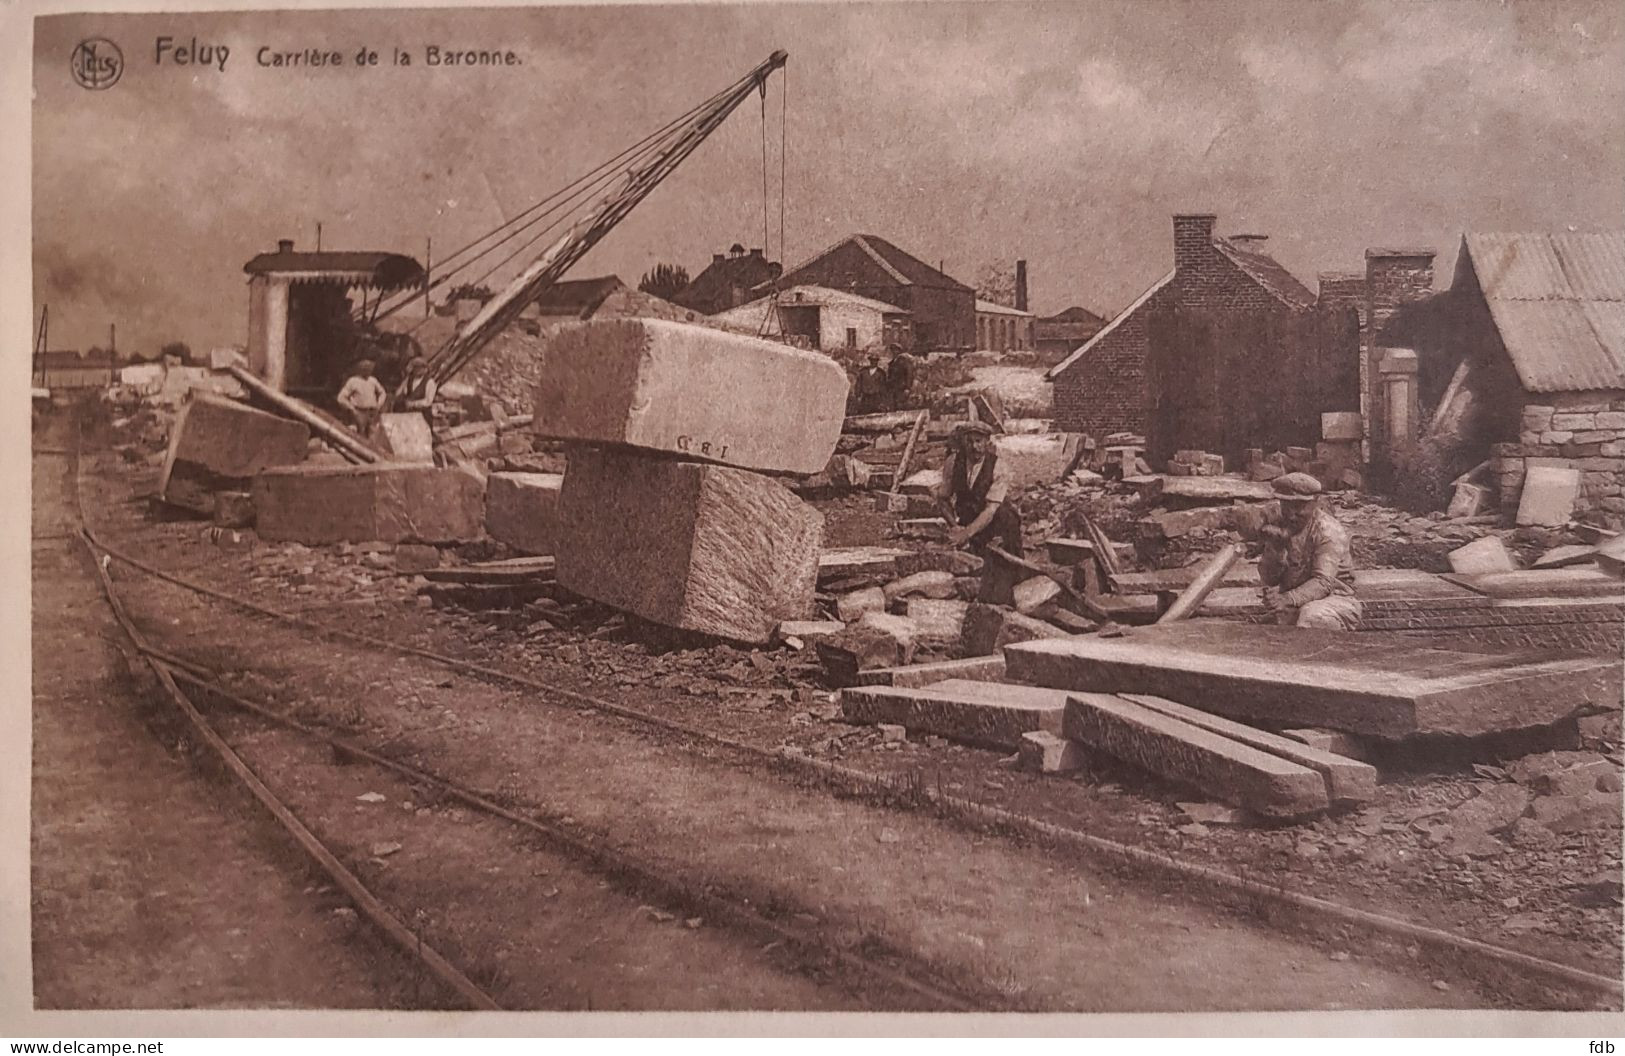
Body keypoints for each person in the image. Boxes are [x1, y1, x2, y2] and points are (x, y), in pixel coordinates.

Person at [1258, 472, 1363, 630]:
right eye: (1286, 506)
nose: (1292, 515)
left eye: (1299, 507)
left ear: (1315, 502)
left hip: (1336, 600)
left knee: (1312, 617)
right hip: (1298, 602)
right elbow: (1270, 579)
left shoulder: (1327, 531)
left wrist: (1287, 598)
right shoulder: (1281, 525)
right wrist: (1276, 550)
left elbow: (1323, 583)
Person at [934, 421, 1024, 602]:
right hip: (969, 521)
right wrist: (956, 526)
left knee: (1006, 521)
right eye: (970, 442)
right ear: (964, 442)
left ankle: (1009, 586)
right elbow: (942, 498)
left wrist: (965, 534)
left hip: (997, 524)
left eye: (978, 441)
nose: (974, 447)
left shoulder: (999, 467)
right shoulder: (953, 462)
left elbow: (991, 510)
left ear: (987, 443)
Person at [336, 358, 387, 439]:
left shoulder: (373, 380)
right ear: (360, 369)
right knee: (360, 437)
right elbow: (341, 398)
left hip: (372, 413)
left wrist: (379, 404)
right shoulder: (353, 381)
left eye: (370, 368)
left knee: (374, 437)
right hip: (359, 413)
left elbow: (382, 392)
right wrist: (351, 408)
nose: (368, 370)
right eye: (365, 368)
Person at [884, 343, 918, 411]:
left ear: (899, 351)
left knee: (902, 406)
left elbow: (909, 374)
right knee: (894, 406)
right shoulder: (892, 363)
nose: (894, 352)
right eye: (892, 350)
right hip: (894, 388)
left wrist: (907, 387)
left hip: (902, 387)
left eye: (896, 350)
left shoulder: (904, 361)